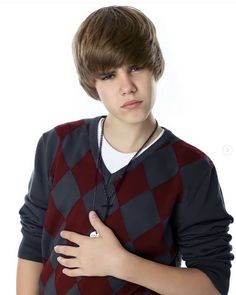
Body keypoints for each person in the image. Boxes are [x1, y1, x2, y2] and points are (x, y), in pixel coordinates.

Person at [16, 5, 233, 295]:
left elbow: (212, 285)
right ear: (92, 85)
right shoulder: (57, 144)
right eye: (108, 76)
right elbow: (33, 243)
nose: (127, 86)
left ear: (154, 65)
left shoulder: (190, 168)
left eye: (134, 67)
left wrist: (121, 264)